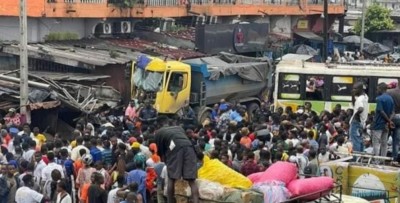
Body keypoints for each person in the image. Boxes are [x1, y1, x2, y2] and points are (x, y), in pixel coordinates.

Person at [155, 116, 199, 203]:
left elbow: (161, 152)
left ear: (158, 125)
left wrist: (167, 163)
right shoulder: (179, 128)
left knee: (171, 178)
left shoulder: (159, 132)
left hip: (175, 150)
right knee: (191, 180)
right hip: (190, 148)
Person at [371, 83, 394, 158]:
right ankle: (382, 160)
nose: (377, 91)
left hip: (378, 124)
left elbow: (381, 111)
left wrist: (388, 121)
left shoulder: (379, 99)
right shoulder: (390, 98)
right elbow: (393, 112)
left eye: (377, 89)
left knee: (376, 143)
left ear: (381, 89)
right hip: (386, 125)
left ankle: (376, 161)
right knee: (384, 143)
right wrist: (389, 121)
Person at [350, 82, 369, 153]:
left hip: (356, 122)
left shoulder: (359, 99)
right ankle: (361, 156)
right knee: (360, 140)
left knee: (355, 140)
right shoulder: (365, 96)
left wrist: (355, 115)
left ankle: (356, 158)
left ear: (361, 89)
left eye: (355, 89)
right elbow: (354, 104)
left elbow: (361, 108)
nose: (354, 90)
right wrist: (353, 96)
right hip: (362, 122)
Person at [387, 82, 400, 161]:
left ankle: (382, 156)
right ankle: (394, 158)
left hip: (390, 117)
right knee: (396, 139)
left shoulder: (390, 92)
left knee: (385, 137)